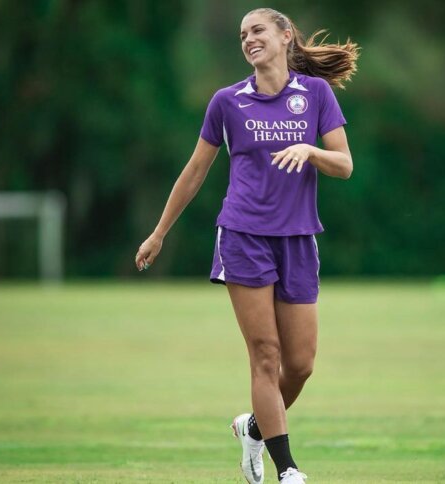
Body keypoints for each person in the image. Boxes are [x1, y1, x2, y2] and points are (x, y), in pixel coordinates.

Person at [134, 7, 358, 483]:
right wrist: (159, 233)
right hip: (243, 236)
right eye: (242, 35)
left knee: (299, 365)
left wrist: (312, 150)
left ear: (284, 36)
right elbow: (195, 171)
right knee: (265, 354)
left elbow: (344, 165)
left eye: (257, 30)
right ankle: (288, 470)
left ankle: (253, 429)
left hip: (298, 238)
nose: (248, 39)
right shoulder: (227, 101)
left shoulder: (315, 94)